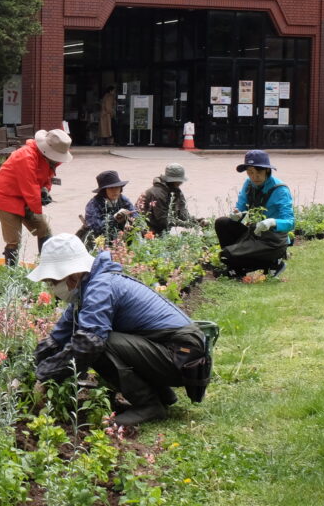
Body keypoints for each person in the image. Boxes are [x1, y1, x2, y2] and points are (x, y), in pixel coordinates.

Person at [28, 233, 209, 426]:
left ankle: (148, 405)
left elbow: (88, 344)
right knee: (90, 338)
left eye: (53, 281)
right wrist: (30, 370)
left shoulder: (100, 287)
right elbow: (58, 337)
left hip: (182, 355)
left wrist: (46, 374)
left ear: (71, 275)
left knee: (95, 343)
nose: (52, 288)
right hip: (174, 351)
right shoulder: (89, 288)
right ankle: (161, 395)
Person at [0, 128, 72, 265]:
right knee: (14, 239)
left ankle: (47, 266)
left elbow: (47, 177)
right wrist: (38, 206)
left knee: (44, 230)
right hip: (6, 198)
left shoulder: (50, 158)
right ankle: (11, 273)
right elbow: (29, 187)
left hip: (26, 198)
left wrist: (45, 190)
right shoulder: (25, 157)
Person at [214, 150, 294, 277]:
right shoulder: (248, 184)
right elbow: (240, 208)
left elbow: (290, 222)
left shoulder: (280, 190)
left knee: (226, 255)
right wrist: (236, 215)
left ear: (267, 170)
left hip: (273, 241)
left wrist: (271, 222)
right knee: (222, 223)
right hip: (254, 233)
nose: (254, 177)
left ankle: (274, 263)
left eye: (259, 172)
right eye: (250, 172)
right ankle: (235, 267)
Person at [137, 163, 205, 236]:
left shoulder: (176, 191)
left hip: (160, 228)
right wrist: (188, 224)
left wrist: (196, 221)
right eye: (178, 181)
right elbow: (163, 221)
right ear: (170, 180)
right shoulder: (158, 194)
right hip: (146, 228)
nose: (180, 183)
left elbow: (183, 214)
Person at [76, 170, 135, 246]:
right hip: (98, 243)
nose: (115, 191)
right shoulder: (93, 204)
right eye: (111, 188)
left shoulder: (123, 199)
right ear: (104, 191)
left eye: (117, 187)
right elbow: (96, 228)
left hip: (121, 239)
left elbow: (135, 215)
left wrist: (130, 219)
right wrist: (114, 218)